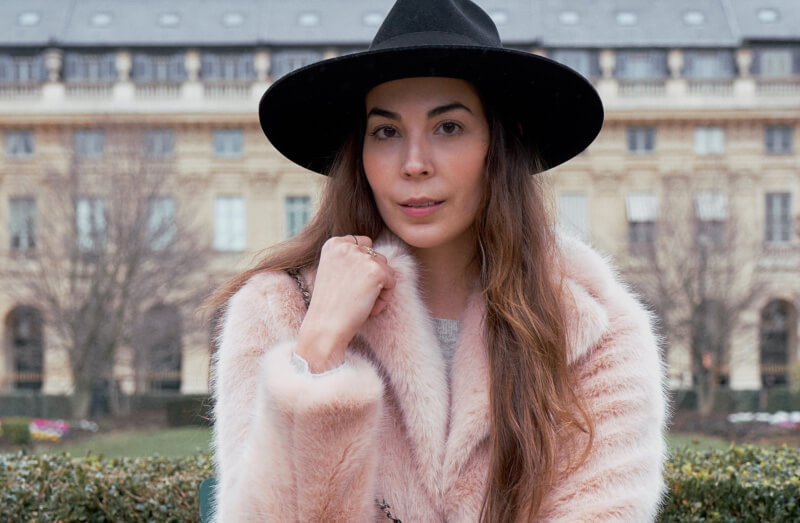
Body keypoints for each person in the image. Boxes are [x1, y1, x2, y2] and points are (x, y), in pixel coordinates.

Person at [208, 0, 667, 521]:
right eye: (386, 132)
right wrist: (318, 352)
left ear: (502, 143)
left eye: (448, 127)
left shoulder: (595, 328)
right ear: (359, 152)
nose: (414, 164)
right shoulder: (278, 310)